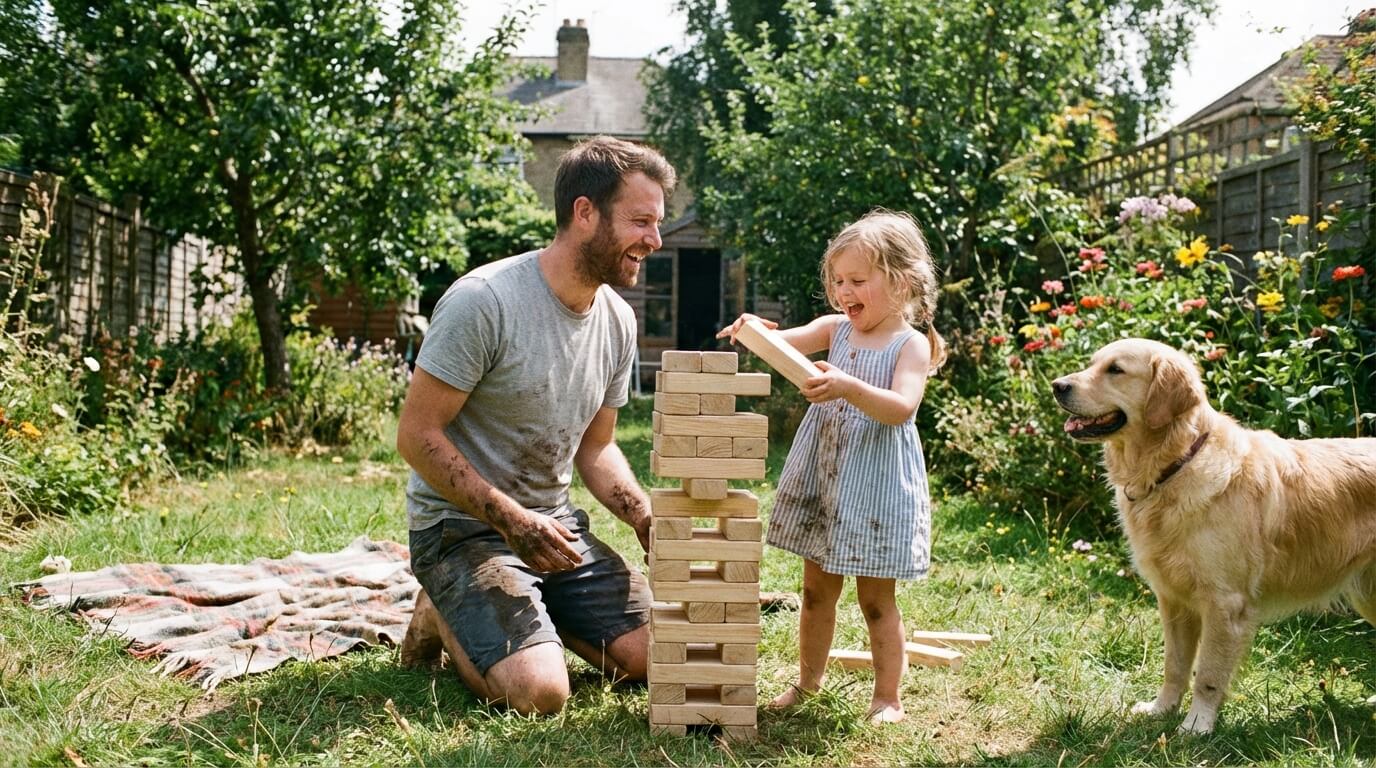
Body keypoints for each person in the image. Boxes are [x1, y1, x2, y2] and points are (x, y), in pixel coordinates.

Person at [396, 136, 676, 715]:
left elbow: (596, 448)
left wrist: (643, 514)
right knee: (541, 695)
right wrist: (513, 522)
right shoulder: (484, 301)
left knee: (662, 659)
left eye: (657, 223)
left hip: (555, 532)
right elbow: (417, 436)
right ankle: (442, 605)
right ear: (584, 213)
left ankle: (522, 607)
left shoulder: (618, 320)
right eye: (641, 221)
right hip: (462, 530)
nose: (654, 240)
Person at [718, 209, 947, 724]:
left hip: (875, 484)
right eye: (838, 280)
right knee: (815, 589)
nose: (845, 291)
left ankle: (887, 698)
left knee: (875, 601)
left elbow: (902, 407)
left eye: (858, 280)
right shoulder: (835, 329)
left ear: (903, 280)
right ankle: (807, 683)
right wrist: (753, 329)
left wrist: (847, 386)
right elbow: (779, 347)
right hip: (826, 476)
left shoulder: (908, 344)